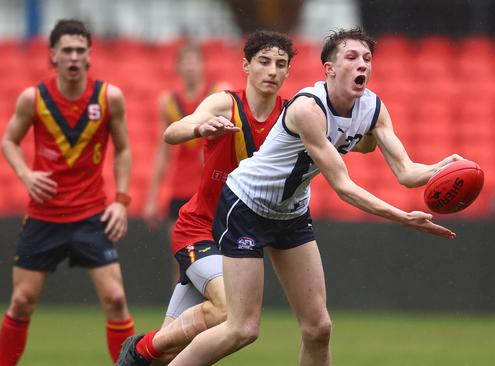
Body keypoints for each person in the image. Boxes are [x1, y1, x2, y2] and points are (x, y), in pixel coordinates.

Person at [166, 27, 459, 366]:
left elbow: (407, 172)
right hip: (246, 205)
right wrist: (403, 217)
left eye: (367, 58)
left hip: (290, 213)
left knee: (319, 327)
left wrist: (443, 167)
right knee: (242, 328)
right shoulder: (308, 108)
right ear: (329, 69)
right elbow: (344, 187)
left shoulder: (374, 108)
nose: (361, 64)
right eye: (351, 57)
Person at [117, 30, 298, 365]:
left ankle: (149, 351)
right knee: (232, 313)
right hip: (200, 229)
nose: (272, 70)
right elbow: (172, 132)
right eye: (264, 61)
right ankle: (141, 348)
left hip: (239, 237)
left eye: (281, 64)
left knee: (175, 352)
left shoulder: (292, 116)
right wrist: (202, 128)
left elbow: (347, 140)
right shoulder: (224, 103)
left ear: (288, 72)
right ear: (246, 65)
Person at [0, 19, 134, 364]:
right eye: (67, 51)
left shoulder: (109, 97)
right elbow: (9, 141)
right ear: (53, 56)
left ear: (89, 55)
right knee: (21, 302)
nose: (74, 57)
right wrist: (26, 175)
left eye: (80, 50)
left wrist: (121, 201)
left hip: (91, 215)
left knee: (117, 299)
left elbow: (122, 149)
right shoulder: (34, 98)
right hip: (44, 215)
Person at [143, 43, 231, 284]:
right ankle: (181, 317)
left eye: (195, 62)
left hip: (212, 189)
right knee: (181, 260)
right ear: (178, 67)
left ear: (203, 65)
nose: (191, 68)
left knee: (218, 258)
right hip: (180, 189)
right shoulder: (169, 102)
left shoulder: (218, 95)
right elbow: (163, 151)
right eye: (186, 62)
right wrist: (152, 198)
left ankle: (217, 316)